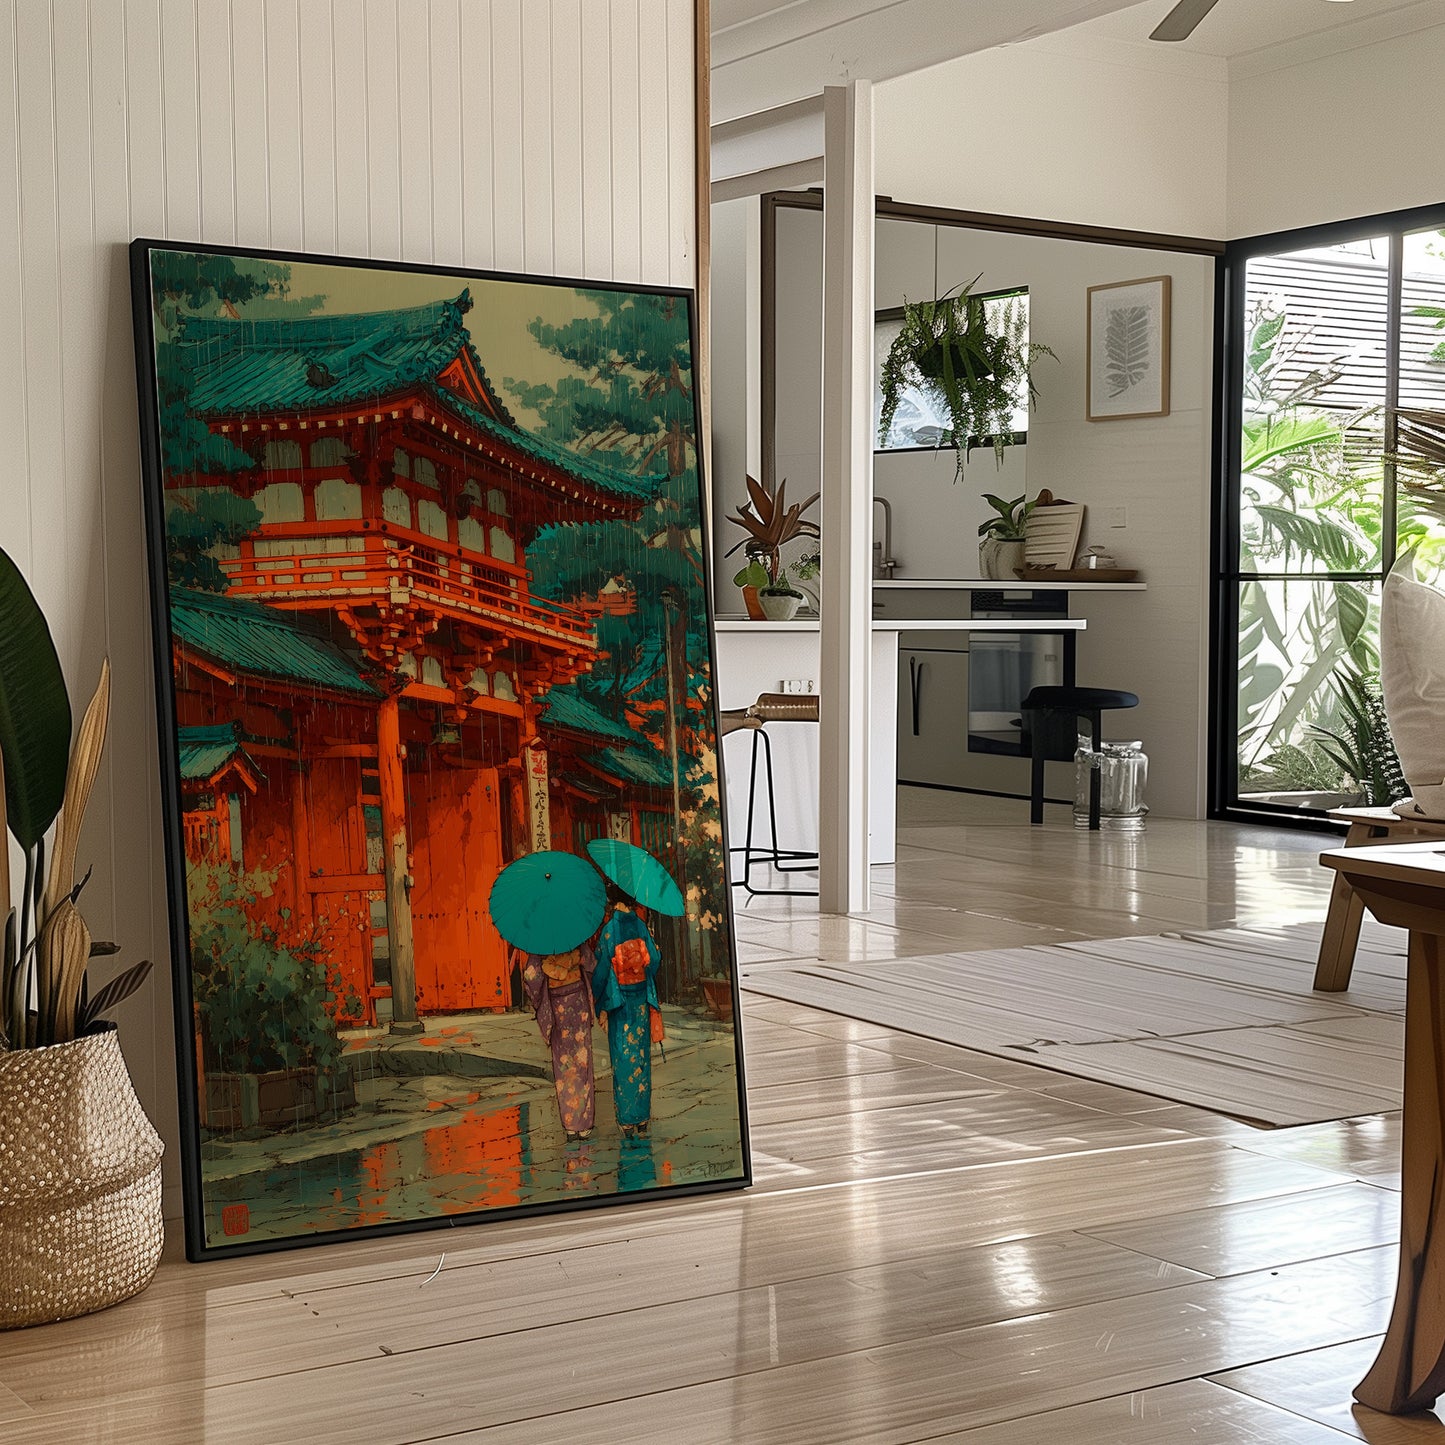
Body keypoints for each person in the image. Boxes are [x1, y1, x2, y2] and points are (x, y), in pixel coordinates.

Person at [591, 884, 662, 1138]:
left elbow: (600, 973)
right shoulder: (640, 926)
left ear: (613, 902)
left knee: (622, 1059)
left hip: (619, 1003)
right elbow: (653, 960)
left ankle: (627, 1120)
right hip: (640, 1000)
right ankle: (642, 1117)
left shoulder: (610, 931)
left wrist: (597, 997)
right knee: (641, 1058)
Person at [520, 944, 597, 1142]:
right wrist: (573, 961)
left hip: (557, 1004)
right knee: (582, 1062)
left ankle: (570, 1124)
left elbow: (531, 975)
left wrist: (549, 975)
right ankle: (585, 1123)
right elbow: (591, 964)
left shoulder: (542, 938)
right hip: (578, 1001)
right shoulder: (575, 934)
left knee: (563, 1064)